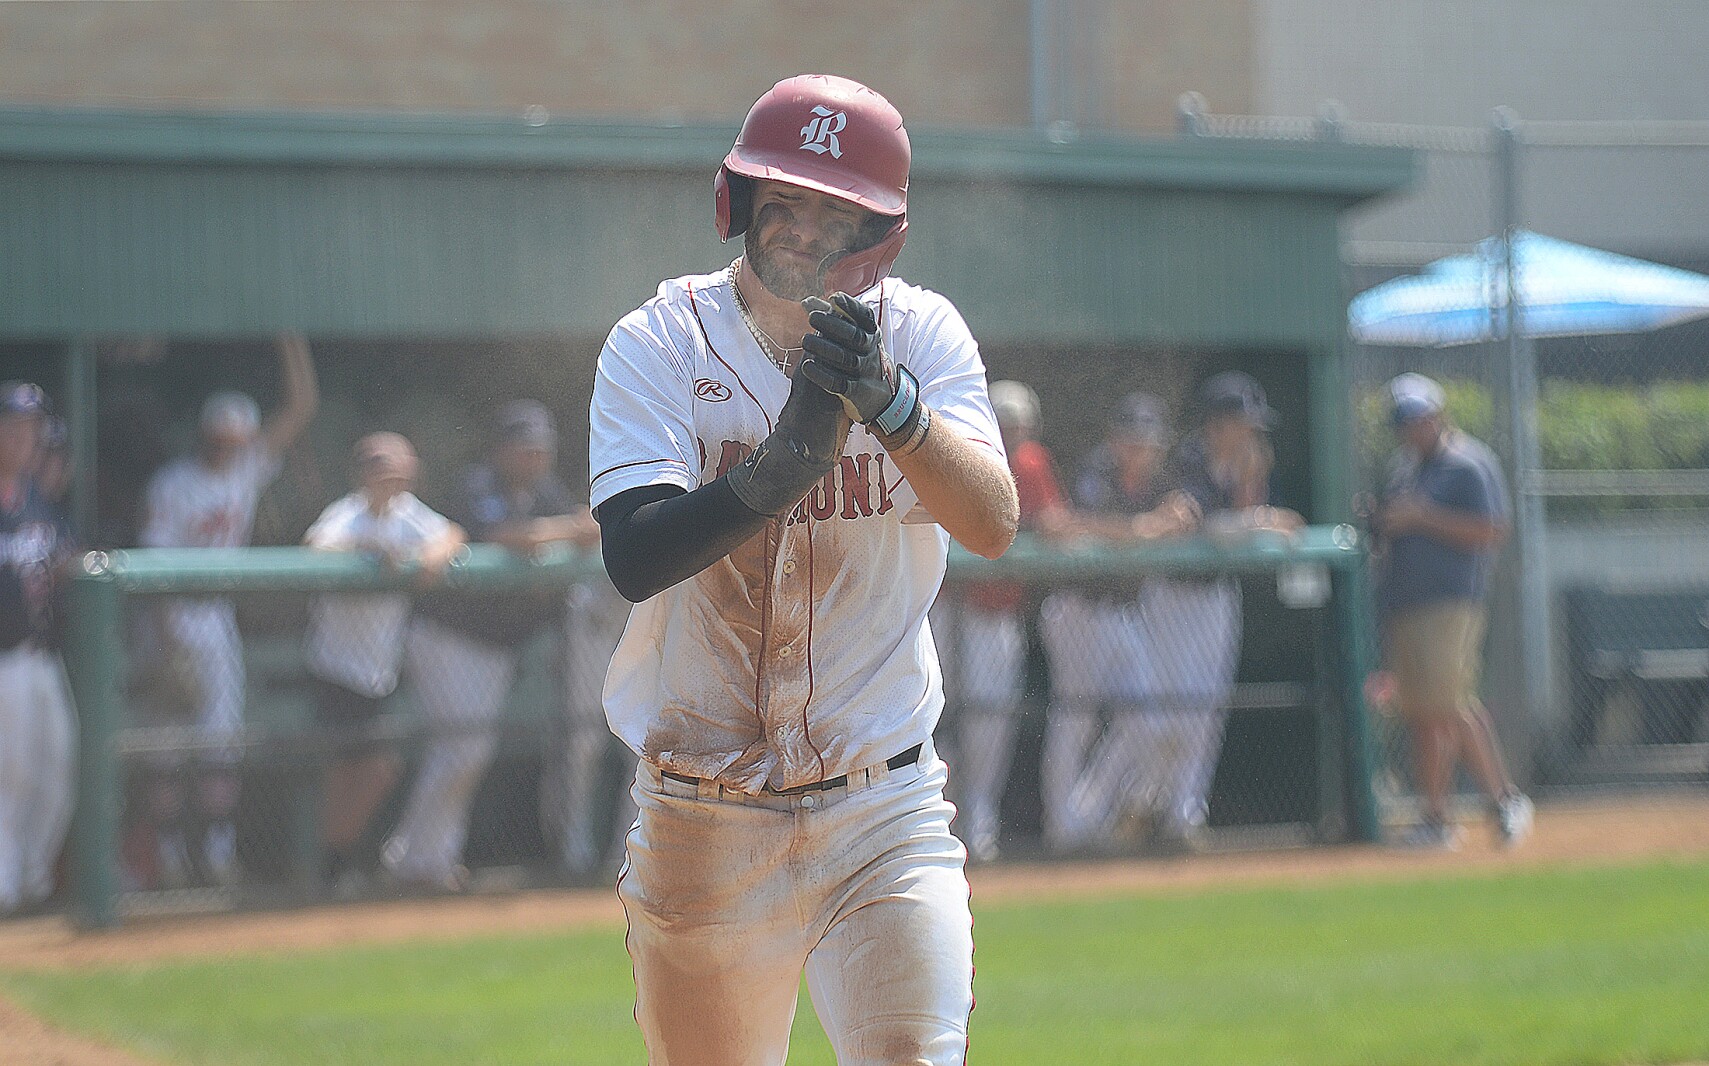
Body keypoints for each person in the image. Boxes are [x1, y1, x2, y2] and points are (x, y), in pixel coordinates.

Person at [589, 74, 1017, 1064]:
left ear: (877, 233)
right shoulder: (657, 342)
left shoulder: (920, 336)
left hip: (881, 804)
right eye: (782, 199)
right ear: (737, 200)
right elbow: (634, 552)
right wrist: (779, 469)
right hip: (703, 813)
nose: (800, 227)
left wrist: (893, 406)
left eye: (833, 209)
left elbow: (991, 520)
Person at [381, 400, 596, 893]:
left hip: (495, 649)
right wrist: (558, 531)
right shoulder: (476, 485)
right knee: (464, 748)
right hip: (446, 637)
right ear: (501, 451)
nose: (533, 459)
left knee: (463, 751)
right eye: (523, 450)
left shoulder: (545, 491)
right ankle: (413, 856)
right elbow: (505, 535)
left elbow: (590, 526)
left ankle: (427, 858)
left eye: (540, 450)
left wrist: (559, 528)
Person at [137, 333, 319, 886]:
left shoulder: (245, 469)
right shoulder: (174, 483)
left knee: (222, 742)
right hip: (169, 617)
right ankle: (167, 860)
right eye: (219, 440)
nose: (228, 449)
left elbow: (301, 408)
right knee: (166, 751)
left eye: (235, 441)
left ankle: (216, 856)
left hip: (216, 617)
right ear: (204, 437)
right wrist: (168, 643)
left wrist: (290, 341)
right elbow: (153, 564)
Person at [1138, 371, 1302, 852]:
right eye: (1243, 422)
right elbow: (1204, 527)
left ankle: (1185, 814)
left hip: (1215, 596)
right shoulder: (1186, 457)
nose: (1251, 431)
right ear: (1218, 422)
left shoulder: (1248, 461)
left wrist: (1254, 504)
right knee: (1163, 709)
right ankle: (1143, 807)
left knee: (1206, 706)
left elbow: (1236, 524)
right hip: (1171, 595)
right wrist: (1264, 522)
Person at [1371, 373, 1533, 849]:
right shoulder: (1404, 468)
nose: (1409, 430)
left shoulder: (1468, 463)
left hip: (1452, 602)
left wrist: (1422, 517)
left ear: (1437, 415)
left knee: (1449, 703)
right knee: (1423, 713)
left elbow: (1493, 529)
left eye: (1417, 420)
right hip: (1407, 602)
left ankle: (1505, 800)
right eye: (1402, 423)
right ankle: (1436, 819)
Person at [302, 432, 466, 893]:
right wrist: (368, 551)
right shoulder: (348, 512)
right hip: (337, 665)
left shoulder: (406, 511)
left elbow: (452, 534)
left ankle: (336, 863)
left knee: (371, 770)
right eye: (380, 467)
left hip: (379, 667)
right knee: (361, 770)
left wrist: (430, 557)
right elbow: (316, 546)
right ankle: (333, 865)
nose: (390, 477)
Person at [1037, 392, 1201, 854]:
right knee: (1076, 719)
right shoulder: (1097, 470)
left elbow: (1185, 515)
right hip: (1078, 609)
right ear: (1115, 440)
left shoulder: (1157, 480)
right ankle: (1062, 828)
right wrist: (1141, 530)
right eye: (1132, 441)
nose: (1140, 450)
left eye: (1148, 442)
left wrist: (1157, 524)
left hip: (1123, 613)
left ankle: (1091, 812)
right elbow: (1062, 523)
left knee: (1147, 721)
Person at [933, 379, 1072, 864]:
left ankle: (980, 826)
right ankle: (946, 824)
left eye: (1017, 425)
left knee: (988, 723)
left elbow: (1054, 524)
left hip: (992, 616)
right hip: (946, 609)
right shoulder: (959, 448)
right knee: (936, 719)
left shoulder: (1029, 463)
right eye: (1003, 422)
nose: (1011, 433)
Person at [0, 383, 78, 915]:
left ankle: (30, 879)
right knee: (12, 774)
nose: (26, 440)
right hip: (3, 658)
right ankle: (6, 884)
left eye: (31, 431)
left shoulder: (36, 500)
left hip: (41, 657)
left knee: (58, 767)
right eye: (15, 429)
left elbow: (63, 555)